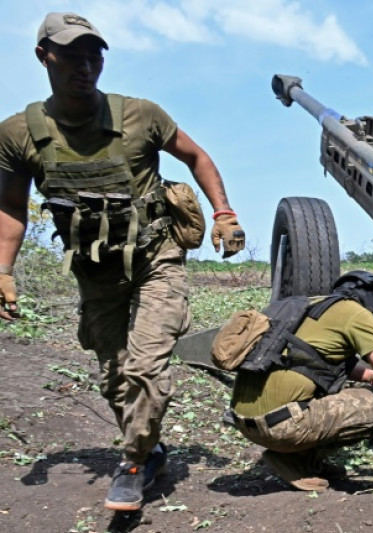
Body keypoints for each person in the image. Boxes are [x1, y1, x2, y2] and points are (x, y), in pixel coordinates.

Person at [0, 13, 246, 511]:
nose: (85, 67)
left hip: (158, 257)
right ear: (44, 56)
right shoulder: (19, 133)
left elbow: (196, 157)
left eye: (94, 56)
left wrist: (224, 213)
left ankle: (132, 464)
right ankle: (150, 450)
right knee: (113, 376)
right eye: (72, 56)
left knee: (145, 367)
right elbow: (10, 208)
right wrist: (3, 270)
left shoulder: (140, 116)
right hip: (95, 271)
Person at [226, 271, 373, 492]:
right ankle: (296, 457)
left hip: (244, 422)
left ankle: (295, 454)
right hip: (282, 427)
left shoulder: (307, 305)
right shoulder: (358, 314)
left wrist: (370, 375)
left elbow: (310, 359)